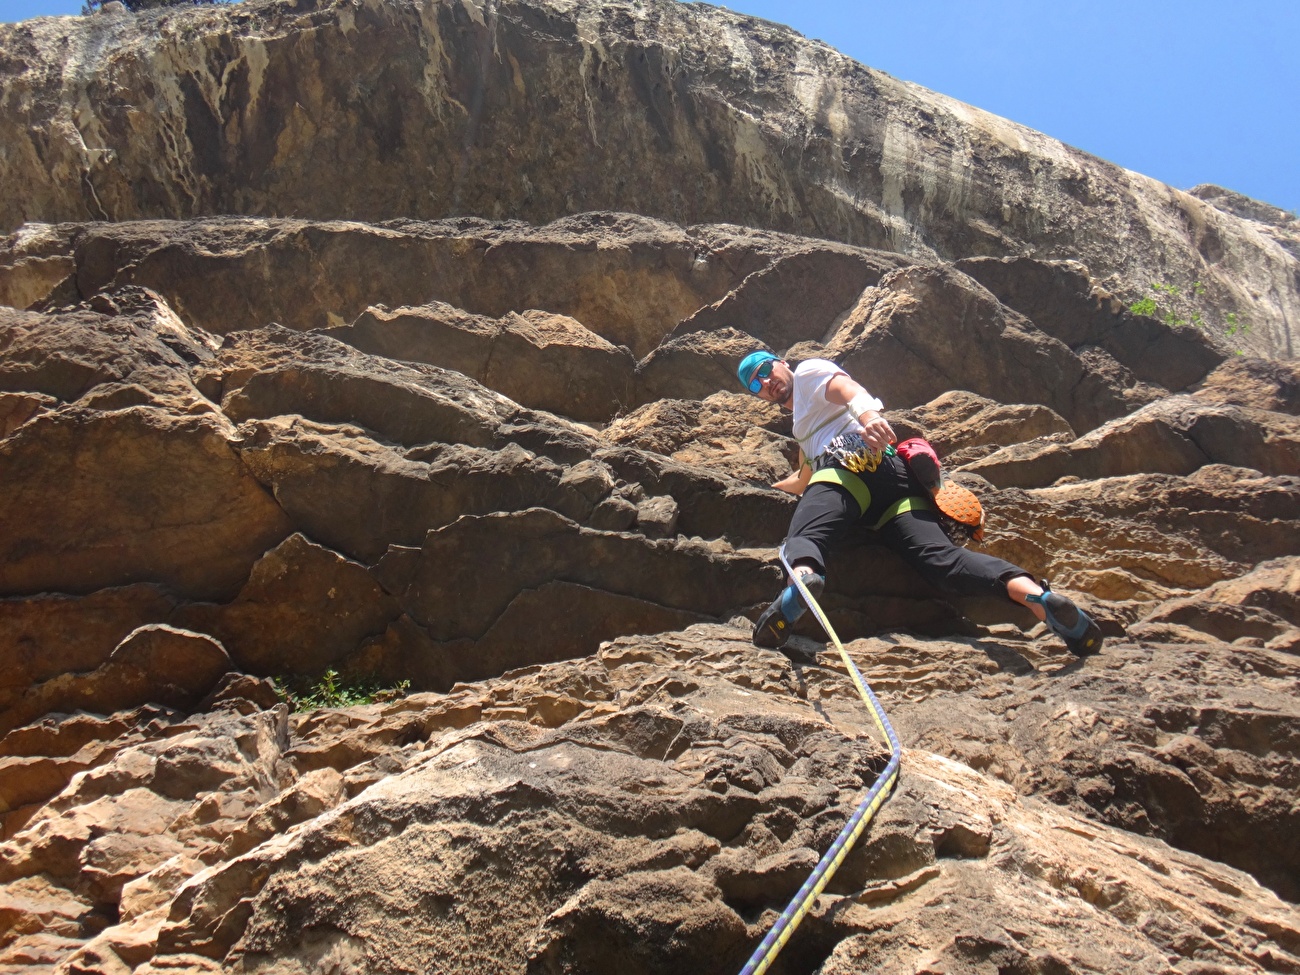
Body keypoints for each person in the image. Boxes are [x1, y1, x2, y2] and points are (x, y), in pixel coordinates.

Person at [736, 350, 1103, 656]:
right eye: (756, 383)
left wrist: (871, 418)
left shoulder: (809, 373)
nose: (766, 381)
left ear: (782, 361)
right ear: (759, 397)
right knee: (943, 561)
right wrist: (762, 486)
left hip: (852, 462)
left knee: (804, 533)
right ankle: (1040, 599)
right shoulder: (803, 427)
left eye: (766, 369)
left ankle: (800, 583)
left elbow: (849, 390)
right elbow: (804, 479)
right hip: (896, 486)